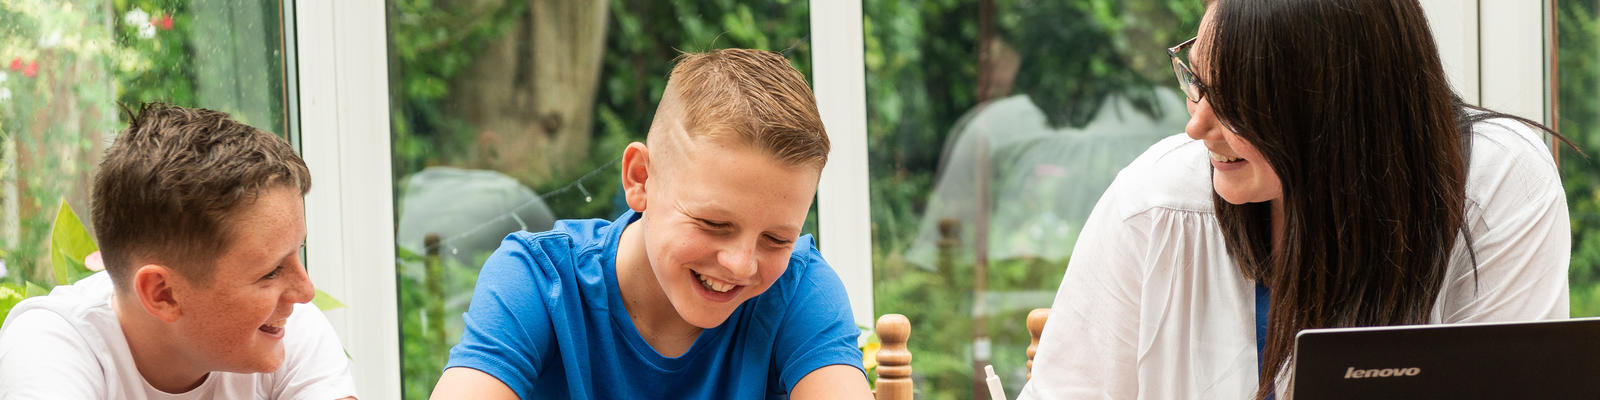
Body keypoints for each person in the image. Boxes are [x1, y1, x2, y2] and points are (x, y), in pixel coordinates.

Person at [1020, 0, 1571, 399]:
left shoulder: (1497, 183)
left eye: (1238, 104)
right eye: (1198, 81)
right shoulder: (1157, 201)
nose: (1196, 126)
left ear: (1336, 108)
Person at [428, 48, 871, 399]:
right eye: (714, 223)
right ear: (640, 178)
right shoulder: (537, 279)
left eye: (776, 238)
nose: (740, 264)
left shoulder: (797, 288)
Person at [0, 104, 357, 399]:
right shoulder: (52, 345)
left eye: (298, 253)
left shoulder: (284, 325)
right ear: (163, 293)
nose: (305, 292)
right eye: (271, 272)